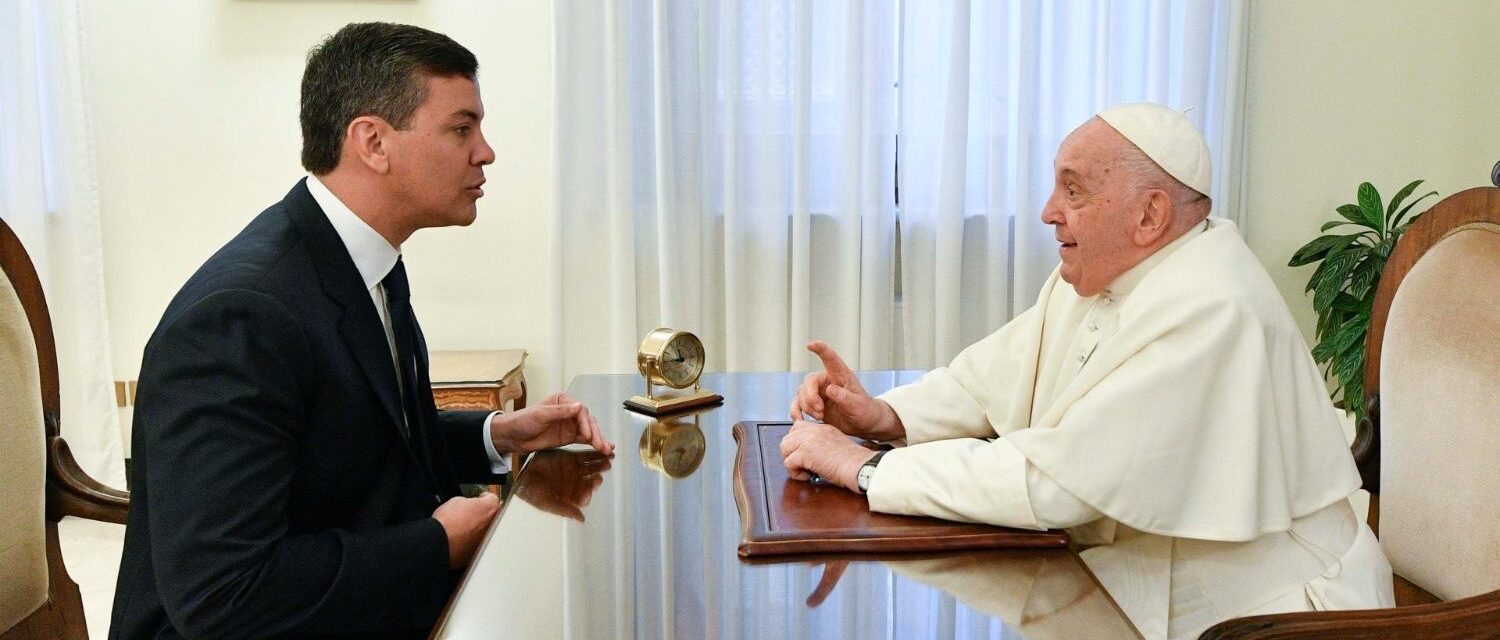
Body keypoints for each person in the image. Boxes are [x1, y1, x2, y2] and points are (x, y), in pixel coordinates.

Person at [780, 103, 1394, 640]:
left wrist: (863, 467)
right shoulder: (1098, 276)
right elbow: (984, 379)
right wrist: (883, 415)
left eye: (1073, 191)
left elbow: (1054, 484)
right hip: (1134, 576)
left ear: (1149, 215)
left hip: (1267, 615)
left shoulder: (1211, 309)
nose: (1049, 212)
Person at [110, 23, 614, 640]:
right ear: (373, 142)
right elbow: (224, 595)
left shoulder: (366, 260)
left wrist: (495, 433)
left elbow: (353, 443)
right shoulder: (239, 317)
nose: (485, 151)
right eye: (462, 128)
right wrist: (436, 543)